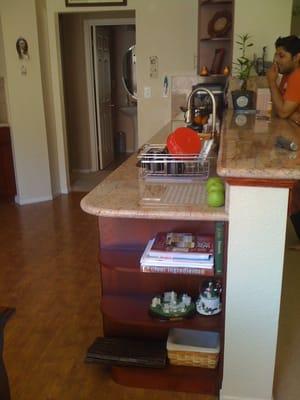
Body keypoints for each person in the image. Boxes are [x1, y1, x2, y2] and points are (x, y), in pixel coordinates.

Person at [267, 35, 300, 249]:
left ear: (297, 57)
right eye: (276, 54)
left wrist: (270, 80)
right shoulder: (288, 77)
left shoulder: (297, 77)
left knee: (294, 192)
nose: (277, 60)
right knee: (295, 193)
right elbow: (282, 112)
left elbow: (282, 110)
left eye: (282, 55)